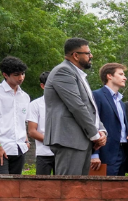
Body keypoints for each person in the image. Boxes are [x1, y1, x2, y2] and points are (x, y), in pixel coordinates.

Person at [43, 38, 106, 176]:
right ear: (76, 55)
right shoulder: (63, 71)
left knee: (79, 190)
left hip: (80, 141)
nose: (91, 56)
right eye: (88, 53)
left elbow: (90, 107)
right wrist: (95, 135)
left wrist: (101, 130)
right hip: (69, 140)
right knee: (68, 190)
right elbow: (77, 106)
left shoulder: (78, 74)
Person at [92, 63, 128, 176]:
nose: (125, 77)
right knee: (104, 191)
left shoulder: (121, 103)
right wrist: (94, 154)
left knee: (119, 191)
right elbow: (92, 124)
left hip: (123, 152)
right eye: (121, 74)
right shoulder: (97, 95)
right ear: (109, 76)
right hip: (105, 154)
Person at [25, 71, 54, 175]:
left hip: (63, 154)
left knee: (63, 187)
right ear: (43, 86)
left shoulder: (66, 104)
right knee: (42, 187)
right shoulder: (35, 105)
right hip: (44, 153)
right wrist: (51, 141)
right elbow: (32, 131)